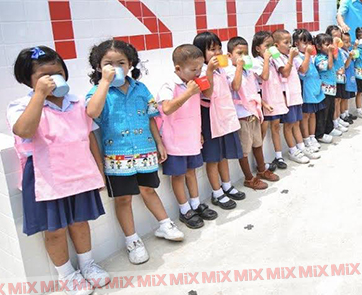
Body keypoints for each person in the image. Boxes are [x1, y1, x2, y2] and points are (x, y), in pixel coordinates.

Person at [8, 46, 109, 295]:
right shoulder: (21, 105)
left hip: (79, 173)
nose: (54, 79)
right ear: (28, 80)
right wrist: (39, 95)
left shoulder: (76, 102)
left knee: (80, 222)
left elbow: (88, 136)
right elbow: (24, 130)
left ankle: (87, 264)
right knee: (54, 230)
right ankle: (67, 275)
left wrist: (98, 170)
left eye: (58, 72)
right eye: (45, 75)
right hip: (47, 178)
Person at [86, 39, 184, 265]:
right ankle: (132, 241)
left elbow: (151, 118)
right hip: (117, 158)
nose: (115, 67)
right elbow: (92, 112)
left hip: (145, 151)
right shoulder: (97, 92)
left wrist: (159, 143)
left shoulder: (141, 89)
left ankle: (164, 224)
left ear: (130, 64)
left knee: (149, 189)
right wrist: (105, 83)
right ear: (99, 66)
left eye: (121, 62)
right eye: (108, 63)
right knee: (123, 199)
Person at [158, 45, 218, 229]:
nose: (197, 72)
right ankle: (184, 210)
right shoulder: (169, 84)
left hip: (192, 138)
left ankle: (195, 203)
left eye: (199, 68)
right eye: (193, 69)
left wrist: (207, 72)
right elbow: (167, 108)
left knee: (192, 172)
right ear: (178, 68)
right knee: (178, 176)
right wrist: (188, 92)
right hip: (174, 141)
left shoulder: (195, 81)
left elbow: (208, 94)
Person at [192, 32, 247, 210]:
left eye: (219, 48)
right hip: (209, 117)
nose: (217, 53)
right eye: (211, 49)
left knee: (223, 154)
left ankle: (227, 185)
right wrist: (208, 70)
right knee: (213, 157)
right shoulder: (200, 71)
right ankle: (217, 193)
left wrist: (237, 67)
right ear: (201, 53)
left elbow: (234, 87)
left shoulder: (222, 69)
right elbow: (207, 93)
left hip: (223, 115)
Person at [226, 36, 279, 189]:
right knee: (244, 150)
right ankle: (249, 178)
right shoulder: (229, 71)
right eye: (239, 53)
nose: (243, 57)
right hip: (241, 117)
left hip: (253, 114)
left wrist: (263, 104)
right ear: (229, 56)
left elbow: (254, 91)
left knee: (257, 144)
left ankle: (262, 170)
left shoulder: (248, 71)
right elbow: (235, 87)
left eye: (245, 53)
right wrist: (238, 67)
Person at [273, 29, 319, 163]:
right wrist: (292, 58)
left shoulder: (291, 56)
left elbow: (303, 70)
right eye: (286, 42)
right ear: (276, 45)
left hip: (296, 96)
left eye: (290, 42)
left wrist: (307, 55)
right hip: (287, 97)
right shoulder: (278, 58)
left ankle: (301, 147)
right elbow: (285, 73)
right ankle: (293, 150)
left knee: (296, 123)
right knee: (288, 125)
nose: (289, 45)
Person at [251, 31, 289, 171]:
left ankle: (278, 156)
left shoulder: (274, 60)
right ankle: (261, 162)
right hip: (264, 100)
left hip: (275, 97)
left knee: (276, 127)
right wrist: (266, 59)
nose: (270, 49)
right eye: (267, 46)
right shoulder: (256, 62)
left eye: (272, 45)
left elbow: (282, 74)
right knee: (262, 131)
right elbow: (264, 77)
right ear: (258, 48)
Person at [293, 29, 327, 146]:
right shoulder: (297, 57)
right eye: (305, 43)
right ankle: (306, 139)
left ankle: (312, 137)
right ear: (296, 44)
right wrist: (307, 54)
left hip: (314, 88)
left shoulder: (311, 56)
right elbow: (303, 70)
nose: (308, 45)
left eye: (309, 43)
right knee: (306, 115)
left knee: (313, 114)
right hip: (306, 91)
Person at [314, 33, 340, 140]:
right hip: (324, 90)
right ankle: (320, 134)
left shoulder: (329, 56)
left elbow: (334, 63)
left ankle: (329, 128)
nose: (329, 46)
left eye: (330, 44)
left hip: (332, 88)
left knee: (330, 110)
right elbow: (328, 66)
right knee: (323, 113)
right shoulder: (319, 58)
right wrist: (330, 53)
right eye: (326, 44)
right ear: (318, 46)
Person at [326, 25, 351, 133]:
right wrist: (335, 43)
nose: (338, 38)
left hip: (341, 78)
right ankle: (335, 122)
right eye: (335, 36)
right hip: (334, 79)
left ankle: (338, 118)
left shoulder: (340, 50)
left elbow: (344, 64)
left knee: (339, 99)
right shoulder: (332, 49)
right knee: (335, 101)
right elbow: (335, 57)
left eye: (339, 36)